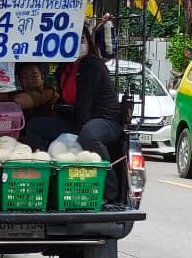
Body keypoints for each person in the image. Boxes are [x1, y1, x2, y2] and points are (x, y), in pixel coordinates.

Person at [24, 29, 123, 200]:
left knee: (89, 136)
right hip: (76, 119)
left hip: (103, 120)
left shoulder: (92, 64)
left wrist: (72, 135)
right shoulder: (63, 68)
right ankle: (43, 183)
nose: (78, 44)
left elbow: (85, 103)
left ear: (88, 42)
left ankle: (110, 190)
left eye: (82, 39)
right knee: (35, 126)